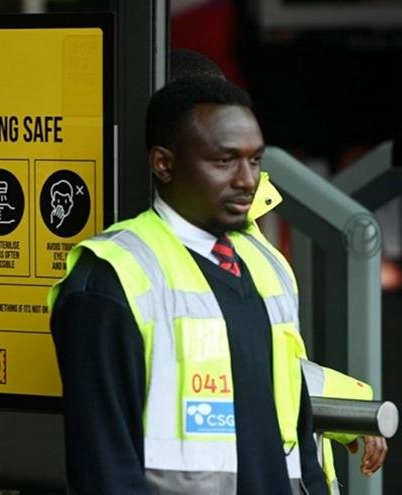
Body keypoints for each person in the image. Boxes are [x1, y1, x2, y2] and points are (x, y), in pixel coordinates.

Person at [48, 76, 386, 494]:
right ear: (164, 164)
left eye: (255, 160)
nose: (247, 180)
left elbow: (293, 432)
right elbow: (104, 471)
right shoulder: (112, 277)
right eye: (225, 160)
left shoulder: (259, 267)